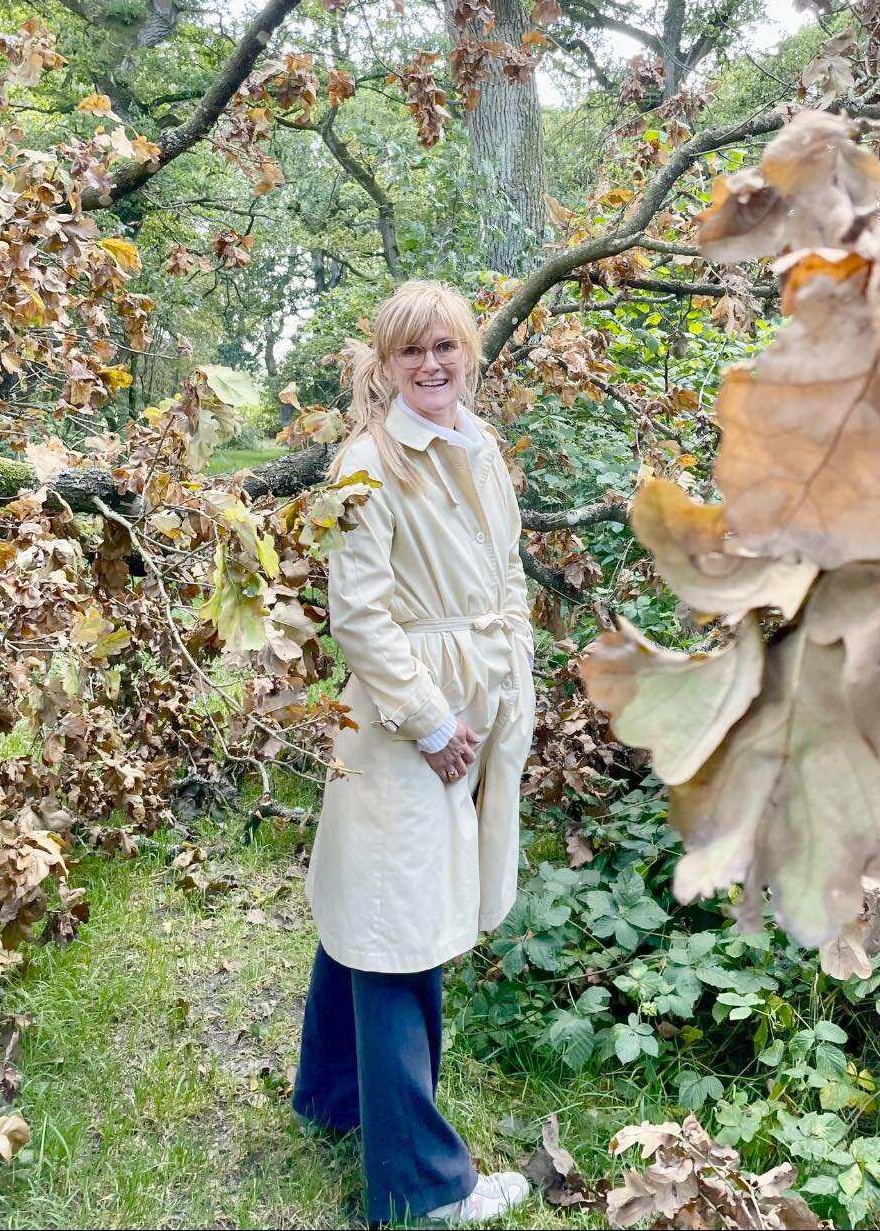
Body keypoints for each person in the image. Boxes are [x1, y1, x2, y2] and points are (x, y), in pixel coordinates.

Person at [293, 280, 537, 1226]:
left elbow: (507, 570)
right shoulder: (367, 464)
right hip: (411, 711)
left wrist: (511, 675)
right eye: (411, 353)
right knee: (400, 914)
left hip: (481, 687)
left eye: (446, 347)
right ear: (384, 366)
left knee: (378, 892)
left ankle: (333, 1098)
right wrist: (429, 721)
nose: (432, 366)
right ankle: (422, 1187)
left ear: (468, 352)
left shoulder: (479, 445)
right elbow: (357, 614)